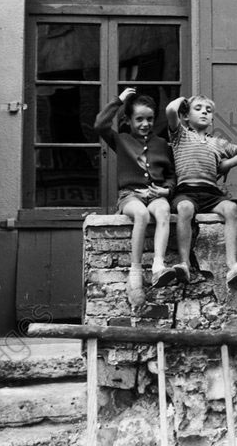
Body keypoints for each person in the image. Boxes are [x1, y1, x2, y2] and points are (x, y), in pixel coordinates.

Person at [94, 88, 176, 309]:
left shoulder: (161, 144)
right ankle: (136, 270)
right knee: (141, 214)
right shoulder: (121, 140)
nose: (145, 124)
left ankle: (158, 265)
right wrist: (117, 100)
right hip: (129, 195)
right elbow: (100, 125)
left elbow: (171, 176)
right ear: (128, 120)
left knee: (163, 211)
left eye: (149, 119)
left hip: (155, 193)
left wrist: (165, 191)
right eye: (139, 119)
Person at [165, 94, 237, 285]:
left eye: (208, 110)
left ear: (212, 118)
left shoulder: (219, 143)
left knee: (231, 209)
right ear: (186, 116)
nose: (204, 112)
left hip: (211, 192)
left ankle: (232, 264)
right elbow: (171, 110)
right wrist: (183, 101)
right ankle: (184, 263)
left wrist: (226, 164)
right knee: (185, 209)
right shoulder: (180, 135)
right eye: (197, 108)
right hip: (186, 190)